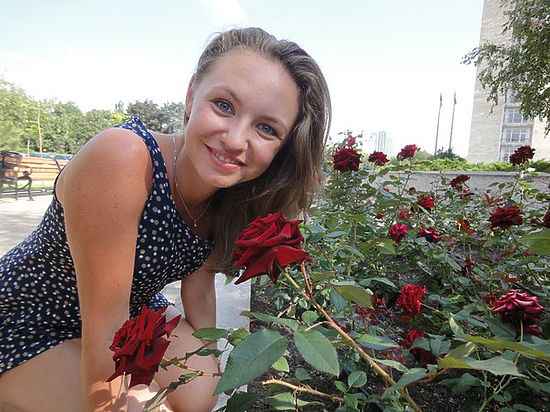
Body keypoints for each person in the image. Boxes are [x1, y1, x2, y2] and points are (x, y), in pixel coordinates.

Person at [0, 27, 331, 412]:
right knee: (138, 407)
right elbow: (106, 325)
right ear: (191, 95)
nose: (235, 139)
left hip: (133, 309)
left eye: (266, 128)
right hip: (29, 317)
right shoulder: (123, 159)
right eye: (224, 105)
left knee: (201, 394)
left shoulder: (228, 194)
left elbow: (200, 288)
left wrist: (212, 365)